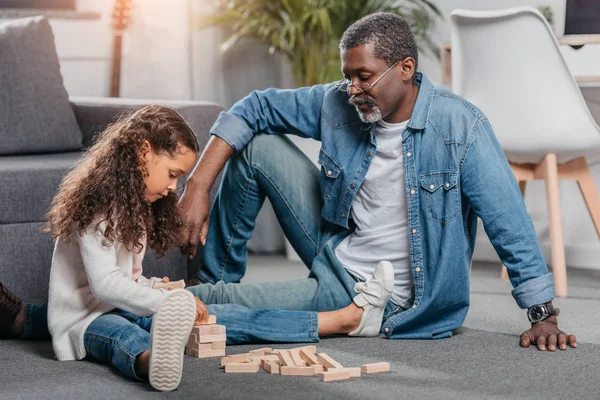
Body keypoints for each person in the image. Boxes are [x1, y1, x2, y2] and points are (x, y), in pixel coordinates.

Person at [178, 12, 577, 351]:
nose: (352, 90)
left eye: (363, 77)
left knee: (209, 305)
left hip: (375, 295)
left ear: (405, 68)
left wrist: (541, 313)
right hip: (338, 248)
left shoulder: (460, 127)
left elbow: (508, 219)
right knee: (257, 145)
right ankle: (212, 277)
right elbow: (253, 107)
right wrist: (197, 186)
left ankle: (180, 301)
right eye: (348, 77)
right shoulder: (342, 100)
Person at [0, 106, 396, 388]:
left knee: (227, 316)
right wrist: (166, 305)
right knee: (119, 336)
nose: (175, 187)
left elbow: (128, 277)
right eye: (172, 174)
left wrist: (158, 288)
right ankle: (151, 362)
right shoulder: (98, 208)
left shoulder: (139, 204)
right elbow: (104, 285)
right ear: (142, 154)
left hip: (129, 303)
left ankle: (341, 320)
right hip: (86, 317)